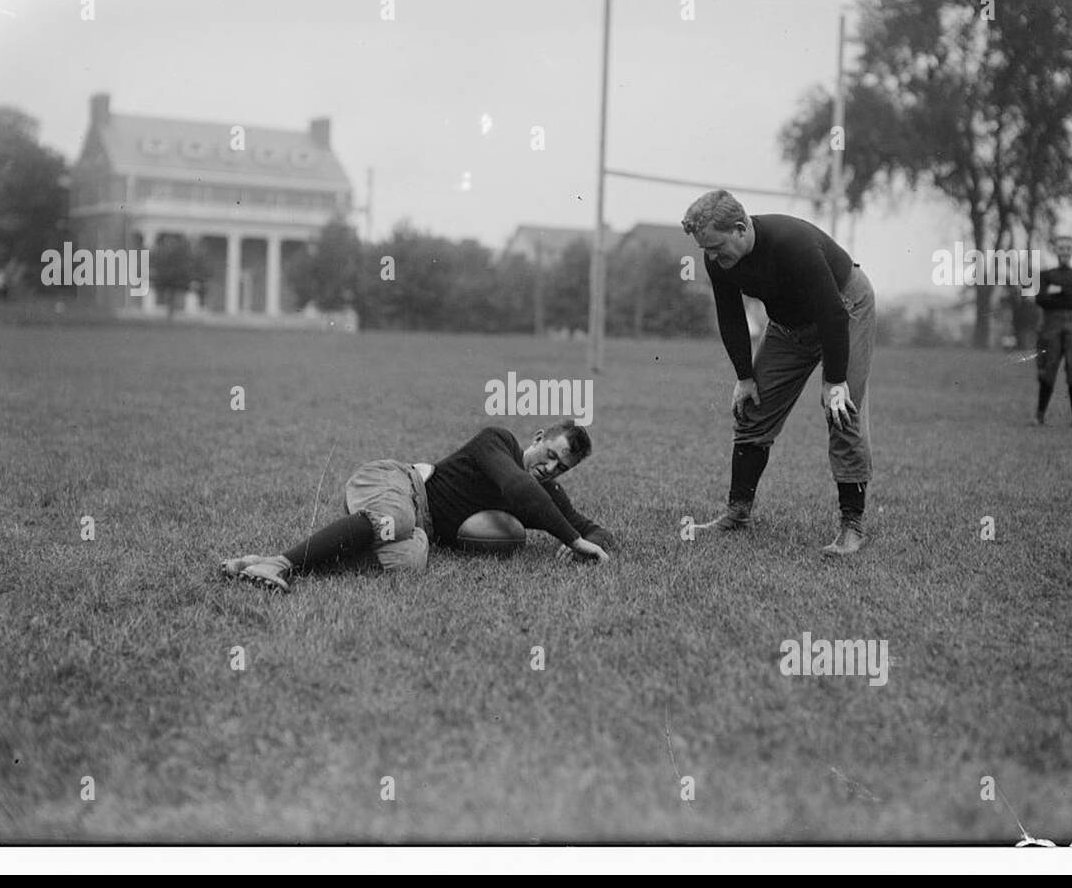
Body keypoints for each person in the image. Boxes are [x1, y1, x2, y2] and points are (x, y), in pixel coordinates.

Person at [681, 190, 875, 555]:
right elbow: (731, 315)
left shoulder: (792, 244)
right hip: (789, 326)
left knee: (841, 412)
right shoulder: (718, 260)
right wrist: (744, 377)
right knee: (753, 408)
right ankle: (737, 513)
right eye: (705, 250)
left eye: (717, 248)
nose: (711, 257)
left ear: (740, 229)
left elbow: (833, 313)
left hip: (845, 309)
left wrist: (834, 382)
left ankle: (852, 527)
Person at [221, 421, 614, 591]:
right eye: (549, 455)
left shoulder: (547, 496)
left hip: (419, 530)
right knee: (397, 520)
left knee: (410, 558)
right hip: (398, 484)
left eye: (561, 467)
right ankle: (281, 565)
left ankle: (263, 562)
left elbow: (597, 531)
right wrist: (571, 538)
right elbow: (516, 486)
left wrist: (583, 541)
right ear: (539, 437)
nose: (549, 469)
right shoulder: (499, 442)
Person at [1035, 235, 1072, 428]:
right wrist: (1069, 294)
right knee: (1047, 369)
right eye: (1061, 248)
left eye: (1068, 248)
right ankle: (1039, 416)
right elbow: (1041, 298)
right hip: (1051, 326)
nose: (1064, 252)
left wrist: (1057, 293)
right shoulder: (1046, 275)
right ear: (1055, 251)